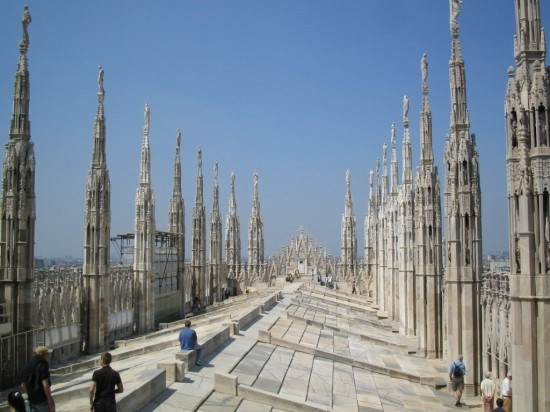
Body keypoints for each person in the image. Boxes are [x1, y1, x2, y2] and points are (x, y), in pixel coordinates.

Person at [21, 345, 55, 412]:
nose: (48, 355)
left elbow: (23, 385)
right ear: (44, 354)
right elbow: (45, 384)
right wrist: (50, 401)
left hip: (32, 400)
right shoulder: (43, 365)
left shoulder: (27, 366)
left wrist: (30, 395)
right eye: (47, 354)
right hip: (42, 399)